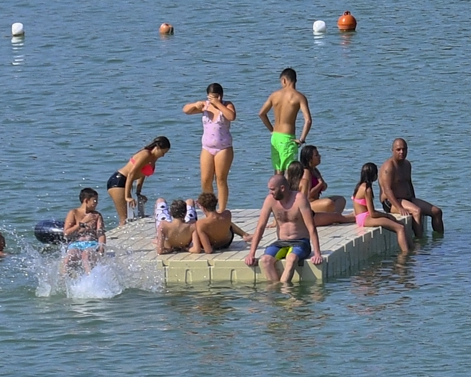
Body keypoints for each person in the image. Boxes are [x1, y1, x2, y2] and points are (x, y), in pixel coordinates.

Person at [243, 173, 324, 288]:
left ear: (282, 188)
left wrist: (317, 253)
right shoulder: (270, 200)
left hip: (300, 241)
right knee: (265, 260)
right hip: (281, 242)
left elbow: (311, 227)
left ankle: (284, 291)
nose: (270, 192)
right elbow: (260, 227)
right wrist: (251, 254)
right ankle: (277, 290)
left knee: (291, 258)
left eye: (272, 189)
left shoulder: (299, 199)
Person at [183, 83, 237, 211]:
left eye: (215, 97)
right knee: (206, 179)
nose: (211, 100)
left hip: (223, 148)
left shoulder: (227, 105)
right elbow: (186, 110)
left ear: (220, 96)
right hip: (207, 147)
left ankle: (222, 209)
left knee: (221, 179)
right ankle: (209, 207)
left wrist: (218, 104)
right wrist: (195, 105)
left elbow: (231, 116)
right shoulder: (205, 106)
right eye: (210, 97)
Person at [380, 138, 443, 234]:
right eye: (398, 149)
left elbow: (408, 183)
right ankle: (419, 243)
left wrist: (413, 199)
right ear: (392, 150)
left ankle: (440, 242)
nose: (402, 152)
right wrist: (399, 208)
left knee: (437, 211)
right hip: (391, 202)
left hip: (407, 199)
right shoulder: (389, 167)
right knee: (417, 211)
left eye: (404, 149)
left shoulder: (407, 164)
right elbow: (387, 190)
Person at [258, 68, 312, 174]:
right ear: (295, 80)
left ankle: (277, 191)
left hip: (275, 138)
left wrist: (272, 130)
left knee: (278, 173)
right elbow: (308, 120)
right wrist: (302, 139)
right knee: (290, 174)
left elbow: (262, 114)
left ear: (284, 80)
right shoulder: (299, 97)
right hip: (288, 138)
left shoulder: (274, 95)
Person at [107, 136, 171, 225]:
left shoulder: (153, 158)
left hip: (126, 182)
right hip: (119, 181)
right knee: (124, 219)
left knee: (131, 219)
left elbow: (142, 174)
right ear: (157, 147)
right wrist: (127, 197)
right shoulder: (146, 154)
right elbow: (131, 174)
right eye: (163, 152)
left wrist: (138, 193)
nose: (163, 155)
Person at [352, 162, 413, 254]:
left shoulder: (359, 186)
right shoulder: (367, 189)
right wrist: (386, 215)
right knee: (400, 228)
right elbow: (372, 213)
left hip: (362, 216)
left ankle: (412, 248)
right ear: (374, 175)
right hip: (364, 218)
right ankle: (406, 254)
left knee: (401, 224)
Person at [296, 145, 351, 220]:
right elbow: (307, 195)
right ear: (309, 159)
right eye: (316, 155)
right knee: (329, 203)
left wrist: (320, 181)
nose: (319, 156)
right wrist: (320, 184)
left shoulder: (314, 170)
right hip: (308, 204)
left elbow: (324, 187)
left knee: (341, 199)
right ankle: (336, 217)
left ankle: (336, 216)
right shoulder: (306, 172)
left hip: (316, 201)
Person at [61, 187, 106, 273]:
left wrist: (101, 247)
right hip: (76, 244)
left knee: (86, 255)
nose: (96, 203)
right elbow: (66, 233)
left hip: (91, 243)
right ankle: (62, 281)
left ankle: (90, 279)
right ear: (86, 201)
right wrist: (82, 223)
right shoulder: (73, 213)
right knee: (68, 258)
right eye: (95, 201)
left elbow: (100, 233)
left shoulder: (96, 215)